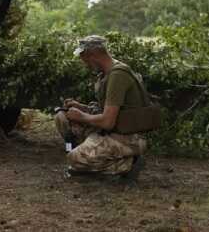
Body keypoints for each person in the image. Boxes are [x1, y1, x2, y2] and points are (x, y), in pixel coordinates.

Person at [55, 35, 148, 178]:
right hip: (113, 130)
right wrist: (82, 107)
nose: (84, 62)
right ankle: (92, 154)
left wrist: (81, 116)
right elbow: (106, 111)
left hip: (129, 137)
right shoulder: (107, 74)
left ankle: (127, 164)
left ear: (93, 55)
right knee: (62, 117)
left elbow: (107, 121)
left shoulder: (118, 75)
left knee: (74, 159)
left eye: (83, 57)